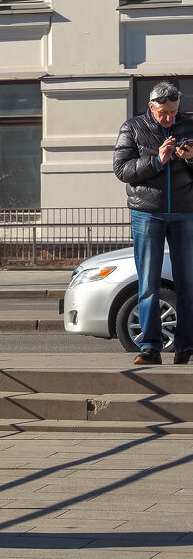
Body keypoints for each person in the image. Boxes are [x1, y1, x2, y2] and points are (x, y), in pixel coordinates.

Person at [113, 81, 193, 365]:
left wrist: (190, 159)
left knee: (188, 282)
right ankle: (149, 348)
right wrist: (158, 160)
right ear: (151, 107)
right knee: (148, 282)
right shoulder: (132, 128)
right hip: (147, 213)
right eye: (163, 113)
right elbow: (122, 170)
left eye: (173, 112)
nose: (169, 118)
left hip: (186, 212)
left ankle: (186, 348)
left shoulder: (190, 125)